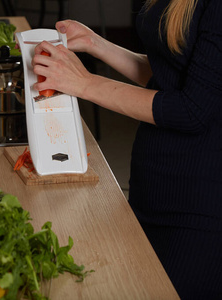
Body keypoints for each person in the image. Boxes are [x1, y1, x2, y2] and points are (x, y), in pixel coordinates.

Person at [31, 0, 222, 298]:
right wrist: (96, 44)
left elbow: (192, 109)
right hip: (155, 185)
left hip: (200, 205)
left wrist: (83, 83)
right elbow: (173, 76)